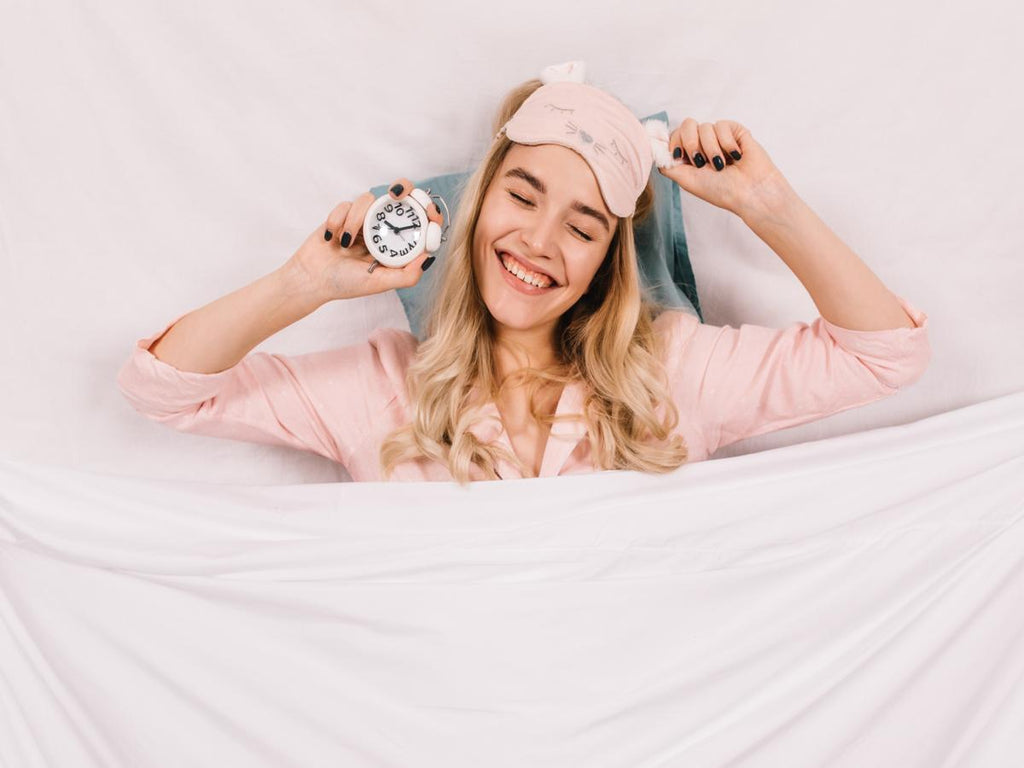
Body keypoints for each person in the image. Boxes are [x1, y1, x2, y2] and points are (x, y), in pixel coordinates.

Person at [117, 62, 931, 485]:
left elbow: (883, 354)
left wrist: (768, 204)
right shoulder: (381, 387)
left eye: (582, 227)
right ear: (476, 207)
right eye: (523, 195)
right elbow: (163, 390)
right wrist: (304, 283)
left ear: (605, 265)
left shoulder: (672, 374)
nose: (539, 242)